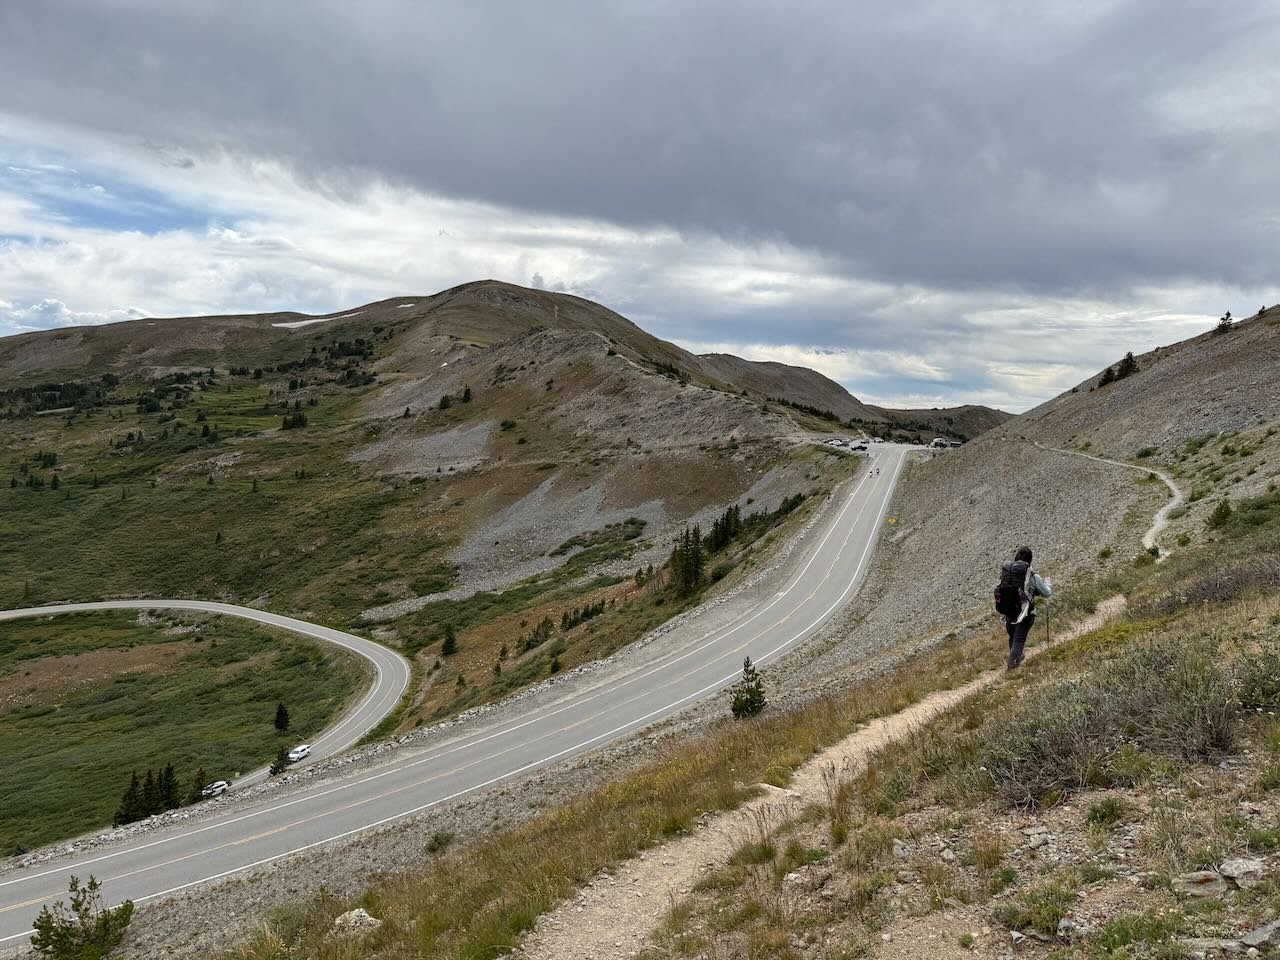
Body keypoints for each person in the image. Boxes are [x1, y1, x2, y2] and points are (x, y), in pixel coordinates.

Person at [997, 546, 1051, 669]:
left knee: (1013, 637)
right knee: (1019, 639)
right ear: (1030, 560)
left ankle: (1017, 658)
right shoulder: (1032, 575)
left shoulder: (1007, 573)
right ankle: (1012, 666)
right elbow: (1047, 593)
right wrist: (1047, 582)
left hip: (1009, 611)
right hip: (1026, 612)